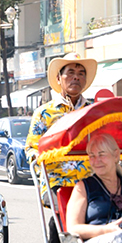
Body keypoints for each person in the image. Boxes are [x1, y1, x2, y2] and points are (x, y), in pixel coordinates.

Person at [25, 52, 98, 198]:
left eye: (81, 73)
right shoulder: (43, 112)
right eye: (70, 72)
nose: (76, 77)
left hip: (92, 182)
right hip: (56, 182)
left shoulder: (94, 112)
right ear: (59, 78)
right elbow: (31, 149)